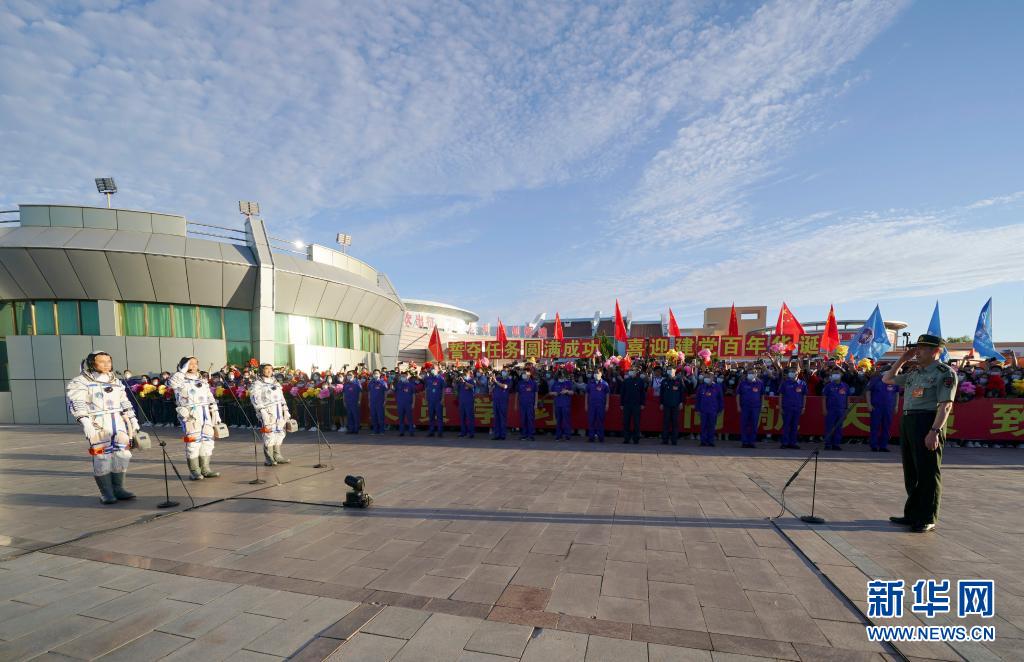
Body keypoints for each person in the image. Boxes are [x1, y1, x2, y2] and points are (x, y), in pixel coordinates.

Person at [883, 334, 957, 533]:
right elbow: (887, 378)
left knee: (928, 471)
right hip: (909, 421)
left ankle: (927, 517)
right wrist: (902, 359)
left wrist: (934, 431)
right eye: (917, 347)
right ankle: (913, 514)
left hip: (928, 421)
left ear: (936, 351)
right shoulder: (915, 372)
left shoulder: (945, 373)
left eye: (923, 348)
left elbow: (945, 405)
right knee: (912, 471)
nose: (918, 351)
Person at [66, 351, 141, 504]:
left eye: (109, 361)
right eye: (102, 361)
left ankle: (118, 488)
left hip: (118, 421)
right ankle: (106, 492)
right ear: (92, 363)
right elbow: (77, 402)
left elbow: (124, 401)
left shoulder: (115, 381)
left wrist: (133, 419)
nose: (107, 365)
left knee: (123, 454)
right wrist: (85, 422)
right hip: (98, 422)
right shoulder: (80, 382)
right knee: (102, 457)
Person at [168, 357, 223, 480]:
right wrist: (182, 371)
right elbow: (171, 384)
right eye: (189, 363)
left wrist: (215, 412)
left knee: (208, 441)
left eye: (195, 363)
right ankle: (194, 471)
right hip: (190, 414)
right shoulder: (179, 379)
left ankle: (205, 469)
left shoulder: (202, 380)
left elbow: (209, 396)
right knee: (193, 442)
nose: (193, 365)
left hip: (205, 414)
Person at [251, 363, 291, 465]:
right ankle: (269, 458)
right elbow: (255, 398)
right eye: (266, 369)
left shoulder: (275, 383)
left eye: (270, 369)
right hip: (267, 411)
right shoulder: (257, 384)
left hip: (278, 411)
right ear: (261, 371)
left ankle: (277, 455)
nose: (269, 371)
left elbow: (281, 397)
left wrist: (285, 409)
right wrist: (262, 411)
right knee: (269, 433)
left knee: (279, 432)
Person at [866, 364, 900, 452]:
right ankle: (874, 445)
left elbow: (897, 393)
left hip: (888, 408)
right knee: (875, 426)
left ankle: (883, 446)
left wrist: (896, 405)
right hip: (876, 407)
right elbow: (868, 392)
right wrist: (869, 404)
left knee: (886, 427)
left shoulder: (894, 380)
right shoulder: (875, 380)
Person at [778, 368, 806, 449]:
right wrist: (780, 407)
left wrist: (803, 407)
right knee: (786, 425)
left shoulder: (802, 383)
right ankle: (785, 443)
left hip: (797, 408)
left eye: (794, 371)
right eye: (791, 372)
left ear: (798, 373)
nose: (792, 373)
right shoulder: (785, 383)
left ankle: (793, 443)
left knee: (794, 426)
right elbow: (780, 395)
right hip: (787, 408)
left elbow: (804, 396)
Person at [821, 370, 849, 450]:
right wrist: (824, 409)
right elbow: (824, 398)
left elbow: (848, 398)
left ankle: (836, 444)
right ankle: (828, 444)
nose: (836, 375)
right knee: (829, 427)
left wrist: (847, 409)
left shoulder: (845, 386)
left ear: (841, 375)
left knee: (839, 428)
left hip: (841, 410)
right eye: (834, 374)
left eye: (837, 374)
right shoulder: (828, 386)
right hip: (830, 410)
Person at [736, 370, 764, 448]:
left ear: (756, 374)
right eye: (749, 373)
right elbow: (738, 395)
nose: (750, 374)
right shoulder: (742, 383)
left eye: (752, 373)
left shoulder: (760, 383)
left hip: (756, 407)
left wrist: (762, 405)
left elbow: (762, 395)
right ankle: (744, 442)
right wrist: (738, 406)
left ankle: (752, 442)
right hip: (745, 407)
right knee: (744, 424)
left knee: (754, 424)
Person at [695, 373, 723, 447]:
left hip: (713, 410)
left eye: (708, 377)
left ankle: (711, 441)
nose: (706, 378)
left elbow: (720, 399)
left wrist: (720, 410)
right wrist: (697, 409)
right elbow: (698, 399)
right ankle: (703, 441)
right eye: (706, 377)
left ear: (713, 378)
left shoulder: (717, 387)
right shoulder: (701, 387)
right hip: (703, 410)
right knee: (703, 426)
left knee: (711, 426)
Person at [620, 367, 646, 444]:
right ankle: (626, 438)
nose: (631, 372)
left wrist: (642, 403)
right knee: (626, 422)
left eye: (633, 371)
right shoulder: (626, 381)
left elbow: (642, 394)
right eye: (630, 371)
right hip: (627, 404)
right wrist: (621, 404)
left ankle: (636, 438)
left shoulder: (640, 381)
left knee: (636, 422)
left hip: (636, 405)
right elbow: (622, 393)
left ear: (636, 372)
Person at [659, 366, 684, 445]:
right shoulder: (664, 381)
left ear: (674, 371)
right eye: (668, 370)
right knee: (666, 422)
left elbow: (682, 392)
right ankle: (665, 439)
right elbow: (661, 393)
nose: (670, 371)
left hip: (675, 405)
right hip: (666, 405)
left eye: (671, 370)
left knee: (675, 423)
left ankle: (674, 440)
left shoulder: (678, 381)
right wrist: (661, 403)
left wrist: (681, 402)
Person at [586, 369, 610, 442]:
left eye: (598, 373)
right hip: (592, 405)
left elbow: (607, 394)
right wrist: (586, 404)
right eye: (595, 373)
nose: (596, 374)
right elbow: (587, 394)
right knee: (591, 421)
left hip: (601, 405)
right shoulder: (590, 383)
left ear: (601, 374)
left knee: (600, 421)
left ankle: (601, 437)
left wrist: (607, 404)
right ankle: (591, 437)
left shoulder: (605, 384)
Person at [551, 369, 575, 441]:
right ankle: (559, 435)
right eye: (560, 376)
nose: (561, 377)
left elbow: (572, 392)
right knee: (558, 420)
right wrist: (554, 393)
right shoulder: (555, 383)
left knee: (566, 420)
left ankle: (567, 435)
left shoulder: (568, 383)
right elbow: (550, 392)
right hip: (558, 404)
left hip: (566, 405)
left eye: (562, 375)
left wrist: (567, 391)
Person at [424, 365, 446, 437]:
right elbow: (426, 389)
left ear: (437, 369)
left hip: (438, 400)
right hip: (430, 400)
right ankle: (431, 431)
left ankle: (440, 432)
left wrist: (443, 399)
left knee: (439, 417)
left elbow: (443, 389)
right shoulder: (428, 378)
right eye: (432, 368)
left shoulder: (441, 378)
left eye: (434, 368)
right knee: (431, 416)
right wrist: (426, 398)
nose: (432, 369)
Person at [517, 370, 538, 440]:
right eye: (523, 374)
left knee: (530, 419)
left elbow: (536, 394)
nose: (524, 375)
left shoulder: (533, 383)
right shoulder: (520, 383)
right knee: (523, 419)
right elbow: (518, 393)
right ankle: (524, 435)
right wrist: (517, 403)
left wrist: (535, 403)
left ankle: (531, 435)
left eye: (525, 374)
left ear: (529, 375)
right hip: (522, 404)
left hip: (530, 404)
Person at [491, 369, 511, 440]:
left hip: (503, 402)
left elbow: (504, 386)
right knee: (496, 419)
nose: (503, 373)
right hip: (496, 401)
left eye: (505, 371)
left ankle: (503, 435)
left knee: (502, 418)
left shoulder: (508, 380)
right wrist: (492, 380)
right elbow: (492, 387)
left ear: (508, 373)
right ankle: (496, 435)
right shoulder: (498, 378)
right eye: (502, 371)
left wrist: (496, 381)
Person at [394, 371, 416, 436]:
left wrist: (413, 403)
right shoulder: (398, 384)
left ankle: (411, 431)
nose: (403, 377)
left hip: (408, 404)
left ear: (407, 377)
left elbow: (414, 395)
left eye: (404, 376)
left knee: (409, 418)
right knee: (401, 418)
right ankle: (401, 432)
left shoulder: (411, 385)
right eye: (402, 376)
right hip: (400, 404)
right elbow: (394, 392)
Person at [367, 370, 387, 435]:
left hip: (380, 402)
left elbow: (385, 392)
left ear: (379, 374)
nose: (375, 374)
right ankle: (375, 430)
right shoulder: (371, 383)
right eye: (374, 373)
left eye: (377, 373)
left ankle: (382, 430)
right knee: (373, 416)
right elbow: (369, 393)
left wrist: (385, 400)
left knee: (380, 417)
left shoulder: (383, 382)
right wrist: (369, 401)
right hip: (373, 402)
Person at [457, 370, 476, 438]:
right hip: (462, 402)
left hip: (469, 402)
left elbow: (472, 386)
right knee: (462, 418)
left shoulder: (471, 380)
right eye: (463, 374)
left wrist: (465, 382)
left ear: (469, 374)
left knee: (469, 418)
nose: (464, 375)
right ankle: (463, 432)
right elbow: (457, 389)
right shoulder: (461, 381)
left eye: (465, 373)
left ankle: (471, 433)